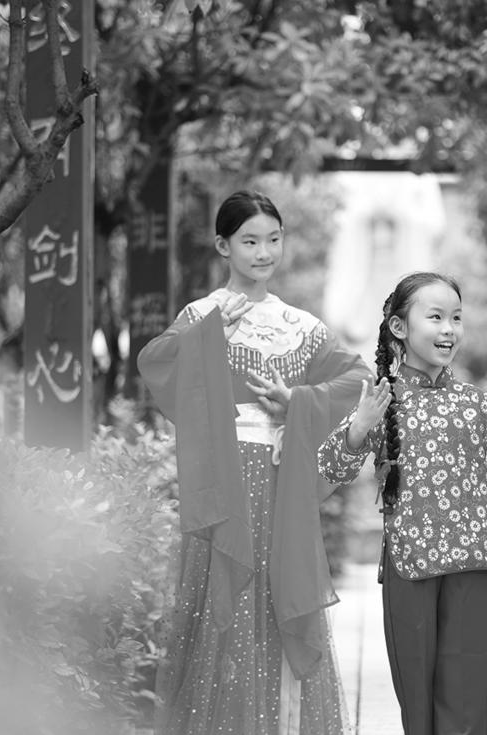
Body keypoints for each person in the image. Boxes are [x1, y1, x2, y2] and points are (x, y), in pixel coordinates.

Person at [138, 190, 370, 735]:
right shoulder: (201, 314)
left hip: (280, 479)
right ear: (223, 245)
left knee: (275, 599)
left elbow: (358, 379)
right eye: (249, 241)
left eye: (273, 239)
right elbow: (156, 367)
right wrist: (208, 336)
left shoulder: (299, 326)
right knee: (225, 610)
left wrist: (297, 403)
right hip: (223, 481)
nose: (264, 252)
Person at [316, 271, 487, 735]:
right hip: (409, 565)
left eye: (456, 318)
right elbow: (330, 467)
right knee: (417, 695)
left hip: (470, 563)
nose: (449, 329)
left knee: (465, 689)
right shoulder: (382, 402)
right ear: (399, 327)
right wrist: (358, 428)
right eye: (436, 317)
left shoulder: (473, 402)